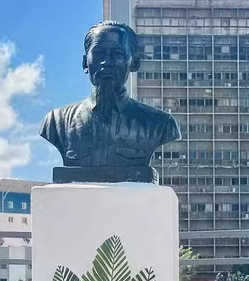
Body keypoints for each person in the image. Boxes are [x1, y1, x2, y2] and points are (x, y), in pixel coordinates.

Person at [40, 20, 181, 182]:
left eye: (118, 54)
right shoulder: (56, 122)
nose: (106, 62)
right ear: (85, 63)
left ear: (134, 63)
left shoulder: (160, 124)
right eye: (99, 53)